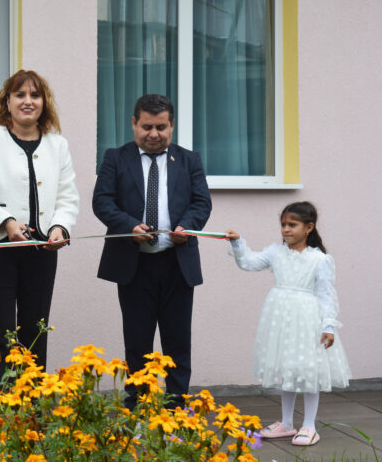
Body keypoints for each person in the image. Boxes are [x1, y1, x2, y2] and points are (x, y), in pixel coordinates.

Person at [92, 93, 211, 409]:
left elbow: (202, 203)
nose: (154, 134)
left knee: (177, 342)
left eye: (161, 127)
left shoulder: (190, 160)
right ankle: (138, 407)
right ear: (134, 123)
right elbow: (102, 201)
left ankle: (176, 408)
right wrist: (129, 225)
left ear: (172, 125)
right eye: (147, 127)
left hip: (177, 264)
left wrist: (187, 226)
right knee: (137, 342)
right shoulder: (116, 158)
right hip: (134, 266)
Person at [0, 69, 79, 386]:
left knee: (34, 331)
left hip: (42, 251)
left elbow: (68, 197)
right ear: (7, 101)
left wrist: (60, 228)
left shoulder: (58, 145)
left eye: (35, 95)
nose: (28, 101)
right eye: (20, 95)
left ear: (44, 102)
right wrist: (7, 222)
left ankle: (31, 408)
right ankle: (1, 409)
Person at [226, 201, 351, 446]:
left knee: (308, 369)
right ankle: (286, 422)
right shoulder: (276, 253)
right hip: (280, 318)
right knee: (288, 368)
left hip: (307, 319)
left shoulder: (320, 259)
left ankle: (309, 425)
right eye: (283, 224)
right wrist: (237, 243)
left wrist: (328, 325)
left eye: (292, 225)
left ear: (308, 227)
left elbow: (327, 293)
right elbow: (249, 262)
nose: (285, 229)